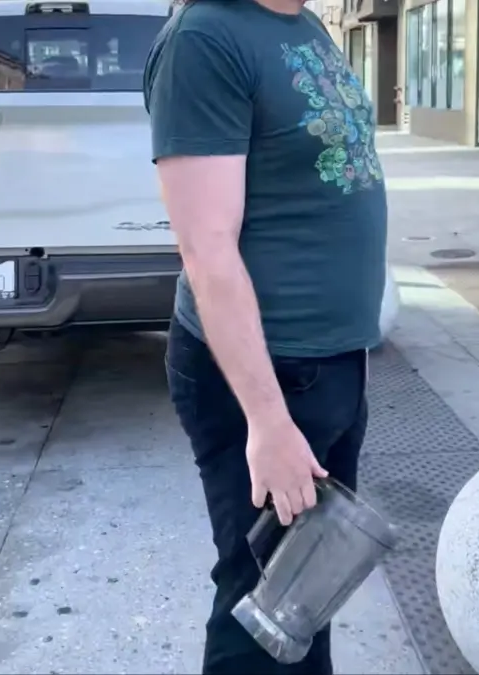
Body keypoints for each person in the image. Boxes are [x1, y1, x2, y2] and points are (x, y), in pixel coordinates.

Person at [144, 0, 387, 672]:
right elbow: (207, 248)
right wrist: (268, 421)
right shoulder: (204, 38)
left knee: (309, 593)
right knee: (262, 604)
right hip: (267, 375)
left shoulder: (303, 24)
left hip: (332, 365)